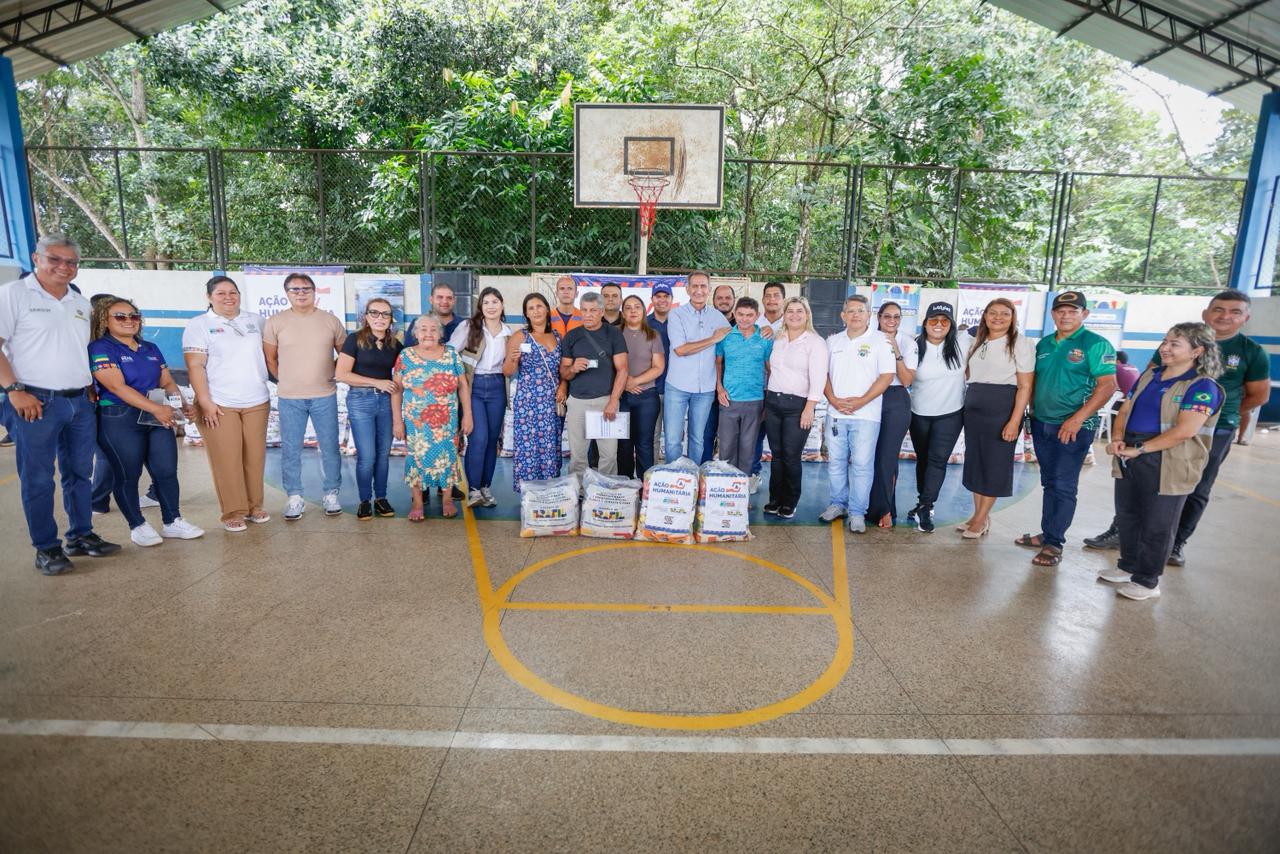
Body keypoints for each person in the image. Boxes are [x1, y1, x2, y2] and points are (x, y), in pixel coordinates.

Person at [1084, 289, 1271, 563]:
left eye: (1235, 312)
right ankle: (1121, 534)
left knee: (1193, 488)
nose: (1225, 316)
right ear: (1206, 313)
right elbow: (1147, 382)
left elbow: (1259, 395)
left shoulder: (1251, 352)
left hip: (1210, 430)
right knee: (1136, 487)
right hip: (1156, 428)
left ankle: (1175, 544)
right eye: (1219, 309)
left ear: (1246, 318)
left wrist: (1211, 416)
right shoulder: (1172, 347)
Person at [0, 234, 120, 574]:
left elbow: (78, 350)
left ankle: (81, 535)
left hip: (79, 401)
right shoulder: (13, 295)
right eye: (55, 259)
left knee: (79, 473)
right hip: (35, 400)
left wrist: (90, 385)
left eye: (71, 262)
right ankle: (46, 548)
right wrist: (14, 390)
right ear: (36, 258)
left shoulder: (79, 303)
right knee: (38, 478)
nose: (63, 267)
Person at [1100, 323, 1224, 601]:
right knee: (1128, 514)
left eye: (1174, 344)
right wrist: (1118, 438)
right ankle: (1128, 566)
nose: (1165, 348)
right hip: (1131, 450)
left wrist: (1141, 449)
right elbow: (1125, 409)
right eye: (1164, 342)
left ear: (1197, 351)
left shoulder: (1202, 386)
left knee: (1158, 522)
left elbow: (1185, 430)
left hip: (1168, 457)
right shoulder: (1151, 375)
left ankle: (1147, 580)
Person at [90, 297, 203, 547]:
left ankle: (172, 521)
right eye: (120, 316)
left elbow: (167, 382)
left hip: (157, 413)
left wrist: (181, 404)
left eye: (134, 316)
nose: (129, 320)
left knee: (166, 471)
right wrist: (157, 409)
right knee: (128, 475)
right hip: (119, 417)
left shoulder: (150, 347)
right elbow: (117, 387)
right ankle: (137, 525)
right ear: (105, 321)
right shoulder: (100, 348)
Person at [1015, 291, 1117, 567]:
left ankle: (1054, 544)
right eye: (1061, 311)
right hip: (1042, 423)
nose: (1066, 315)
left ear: (1085, 314)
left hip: (1073, 427)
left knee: (1063, 485)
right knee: (1050, 482)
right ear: (1053, 314)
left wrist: (1077, 419)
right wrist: (1030, 415)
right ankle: (1048, 533)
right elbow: (1034, 381)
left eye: (1073, 311)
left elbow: (1108, 385)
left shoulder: (1095, 344)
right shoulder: (1045, 344)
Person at [183, 275, 272, 533]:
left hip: (257, 399)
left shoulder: (256, 321)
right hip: (219, 403)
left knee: (254, 457)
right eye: (221, 293)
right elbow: (195, 366)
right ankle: (233, 511)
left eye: (233, 292)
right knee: (227, 459)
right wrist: (205, 401)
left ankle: (254, 506)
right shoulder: (199, 325)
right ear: (209, 297)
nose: (228, 297)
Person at [263, 272, 348, 521]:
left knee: (330, 447)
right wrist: (284, 379)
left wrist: (330, 373)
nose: (301, 293)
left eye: (305, 289)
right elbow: (270, 358)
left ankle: (331, 493)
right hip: (290, 398)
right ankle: (294, 496)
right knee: (291, 450)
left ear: (314, 291)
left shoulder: (330, 321)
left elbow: (345, 355)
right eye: (295, 289)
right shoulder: (275, 322)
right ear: (286, 293)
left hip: (325, 395)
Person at [959, 298, 1035, 540]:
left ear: (1013, 318)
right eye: (993, 313)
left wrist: (1014, 421)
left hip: (1002, 409)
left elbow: (1025, 386)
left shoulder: (1020, 343)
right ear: (985, 316)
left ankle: (981, 519)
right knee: (976, 462)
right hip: (975, 409)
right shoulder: (978, 341)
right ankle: (978, 515)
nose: (998, 318)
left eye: (1005, 314)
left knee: (994, 465)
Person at [819, 295, 894, 533]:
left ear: (869, 315)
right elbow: (823, 374)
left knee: (862, 465)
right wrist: (833, 400)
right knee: (836, 463)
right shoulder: (832, 342)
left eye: (860, 311)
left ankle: (857, 512)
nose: (855, 315)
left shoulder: (881, 341)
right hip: (836, 414)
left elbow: (887, 376)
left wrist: (861, 401)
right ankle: (838, 504)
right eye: (850, 311)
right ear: (843, 315)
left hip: (866, 415)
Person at [393, 314, 472, 520]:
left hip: (446, 421)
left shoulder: (451, 354)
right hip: (416, 423)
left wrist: (468, 415)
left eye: (433, 329)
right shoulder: (405, 356)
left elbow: (463, 386)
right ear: (416, 333)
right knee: (417, 458)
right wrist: (397, 421)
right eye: (423, 329)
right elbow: (396, 390)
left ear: (440, 333)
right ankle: (418, 503)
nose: (428, 333)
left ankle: (447, 499)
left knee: (447, 456)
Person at [336, 297, 403, 521]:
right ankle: (365, 500)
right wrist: (376, 382)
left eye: (385, 314)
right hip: (361, 400)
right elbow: (341, 374)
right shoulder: (354, 340)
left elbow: (402, 375)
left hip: (386, 402)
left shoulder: (396, 345)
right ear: (366, 316)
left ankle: (381, 498)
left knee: (383, 455)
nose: (380, 318)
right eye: (374, 313)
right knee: (367, 456)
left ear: (391, 319)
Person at [764, 297, 828, 519]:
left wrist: (809, 408)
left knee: (791, 455)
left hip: (798, 405)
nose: (794, 315)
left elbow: (818, 379)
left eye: (799, 311)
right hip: (773, 401)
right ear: (784, 315)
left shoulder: (815, 342)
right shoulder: (778, 338)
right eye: (790, 311)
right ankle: (775, 499)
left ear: (807, 314)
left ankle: (790, 502)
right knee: (777, 455)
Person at [906, 302, 966, 534]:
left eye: (944, 321)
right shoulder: (914, 346)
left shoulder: (963, 343)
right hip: (919, 414)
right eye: (933, 320)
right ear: (925, 323)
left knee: (938, 460)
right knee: (923, 460)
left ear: (951, 324)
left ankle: (926, 506)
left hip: (951, 414)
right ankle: (923, 501)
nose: (938, 325)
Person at [449, 287, 511, 507]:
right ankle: (474, 490)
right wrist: (458, 380)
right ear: (480, 306)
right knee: (479, 438)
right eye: (486, 302)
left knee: (492, 441)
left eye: (495, 302)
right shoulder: (469, 327)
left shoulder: (509, 333)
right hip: (473, 387)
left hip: (497, 387)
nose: (491, 306)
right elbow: (450, 353)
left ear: (502, 305)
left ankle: (485, 487)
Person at [664, 271, 731, 463]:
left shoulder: (718, 317)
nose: (699, 290)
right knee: (673, 440)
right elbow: (680, 350)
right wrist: (713, 339)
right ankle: (674, 477)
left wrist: (761, 329)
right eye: (694, 286)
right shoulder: (676, 314)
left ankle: (692, 477)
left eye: (703, 286)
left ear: (709, 290)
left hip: (706, 388)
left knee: (697, 439)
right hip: (677, 386)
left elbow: (733, 340)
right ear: (687, 289)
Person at [560, 292, 628, 477]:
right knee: (578, 456)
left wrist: (613, 401)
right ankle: (579, 490)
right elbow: (564, 372)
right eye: (584, 310)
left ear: (602, 312)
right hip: (577, 402)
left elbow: (623, 369)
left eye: (593, 310)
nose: (588, 315)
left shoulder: (613, 334)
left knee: (609, 456)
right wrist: (573, 368)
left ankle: (604, 490)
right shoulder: (572, 336)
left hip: (605, 401)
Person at [504, 293, 565, 491]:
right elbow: (507, 371)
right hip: (528, 402)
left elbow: (563, 369)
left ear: (547, 309)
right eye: (531, 308)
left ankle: (548, 492)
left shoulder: (557, 336)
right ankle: (529, 493)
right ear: (526, 314)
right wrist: (513, 359)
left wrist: (563, 386)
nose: (536, 311)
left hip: (552, 401)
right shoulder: (520, 337)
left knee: (550, 446)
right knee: (528, 448)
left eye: (539, 306)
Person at [865, 301, 918, 528]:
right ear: (878, 317)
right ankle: (865, 505)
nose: (891, 321)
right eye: (887, 316)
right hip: (870, 397)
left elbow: (906, 380)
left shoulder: (908, 342)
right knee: (866, 457)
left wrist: (895, 350)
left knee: (887, 458)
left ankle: (885, 509)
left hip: (895, 399)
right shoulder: (868, 338)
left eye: (896, 317)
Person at [715, 297, 772, 477]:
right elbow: (718, 363)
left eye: (749, 315)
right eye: (740, 314)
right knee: (726, 446)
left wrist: (768, 400)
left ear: (757, 316)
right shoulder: (725, 336)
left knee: (748, 447)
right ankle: (726, 485)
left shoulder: (765, 338)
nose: (744, 319)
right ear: (734, 314)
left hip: (755, 400)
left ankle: (742, 487)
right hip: (729, 399)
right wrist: (719, 388)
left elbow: (771, 370)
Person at [616, 295, 666, 478]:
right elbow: (608, 364)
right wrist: (624, 384)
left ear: (644, 311)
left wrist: (634, 381)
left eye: (637, 307)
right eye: (628, 308)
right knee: (624, 444)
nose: (633, 311)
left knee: (644, 444)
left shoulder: (653, 335)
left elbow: (658, 367)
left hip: (647, 397)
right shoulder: (614, 333)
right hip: (621, 397)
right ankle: (626, 484)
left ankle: (645, 485)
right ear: (623, 313)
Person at [748, 281, 786, 493]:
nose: (772, 299)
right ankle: (753, 474)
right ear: (762, 299)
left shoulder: (791, 322)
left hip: (784, 389)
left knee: (781, 438)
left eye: (776, 295)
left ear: (783, 300)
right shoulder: (753, 322)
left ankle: (781, 484)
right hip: (757, 387)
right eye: (768, 295)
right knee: (755, 434)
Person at [647, 282, 674, 463]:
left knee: (673, 437)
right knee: (652, 435)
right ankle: (651, 473)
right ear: (652, 299)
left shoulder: (679, 322)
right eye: (658, 296)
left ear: (672, 299)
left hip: (675, 389)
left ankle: (674, 473)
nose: (662, 300)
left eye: (666, 296)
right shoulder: (644, 323)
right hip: (651, 388)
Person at [404, 282, 462, 346]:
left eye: (449, 298)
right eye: (440, 297)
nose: (445, 301)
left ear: (454, 301)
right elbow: (409, 349)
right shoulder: (418, 323)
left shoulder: (464, 325)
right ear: (431, 300)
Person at [549, 275, 583, 340]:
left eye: (570, 288)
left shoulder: (584, 317)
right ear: (556, 293)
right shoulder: (547, 317)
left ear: (576, 294)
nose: (566, 292)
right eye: (562, 288)